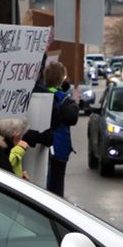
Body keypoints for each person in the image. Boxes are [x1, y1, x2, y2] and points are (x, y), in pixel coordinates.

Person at [37, 61, 80, 197]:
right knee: (56, 190)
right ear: (62, 78)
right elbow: (72, 119)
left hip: (37, 145)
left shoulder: (39, 93)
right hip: (59, 148)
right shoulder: (63, 98)